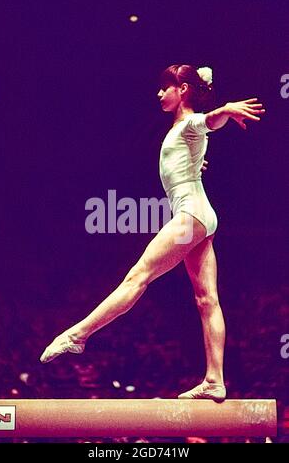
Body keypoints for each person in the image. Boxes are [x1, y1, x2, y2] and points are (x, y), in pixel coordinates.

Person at [40, 64, 265, 401]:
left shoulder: (190, 122)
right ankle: (214, 380)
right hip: (202, 215)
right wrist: (197, 159)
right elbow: (197, 141)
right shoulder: (181, 131)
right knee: (206, 299)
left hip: (191, 214)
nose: (160, 94)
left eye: (166, 87)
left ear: (184, 89)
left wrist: (226, 110)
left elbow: (207, 121)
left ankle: (79, 334)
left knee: (137, 278)